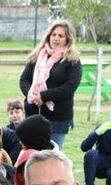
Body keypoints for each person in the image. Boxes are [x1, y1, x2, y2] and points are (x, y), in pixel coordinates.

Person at [19, 20, 82, 149]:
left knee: (53, 156)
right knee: (32, 155)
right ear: (48, 36)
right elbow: (24, 80)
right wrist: (32, 95)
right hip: (33, 114)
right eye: (53, 35)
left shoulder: (72, 60)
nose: (56, 38)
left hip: (58, 117)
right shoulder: (37, 56)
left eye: (61, 36)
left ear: (68, 39)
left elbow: (70, 87)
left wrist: (44, 96)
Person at [13, 115, 57, 185]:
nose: (20, 143)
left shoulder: (56, 161)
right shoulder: (24, 152)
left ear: (32, 140)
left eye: (23, 139)